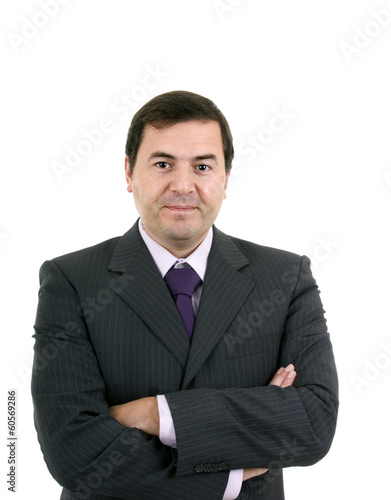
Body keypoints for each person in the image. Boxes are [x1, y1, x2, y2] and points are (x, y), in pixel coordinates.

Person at [31, 90, 338, 500]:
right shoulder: (70, 280)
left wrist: (156, 413)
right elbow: (72, 451)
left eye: (202, 166)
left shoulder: (285, 277)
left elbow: (314, 424)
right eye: (162, 164)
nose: (182, 185)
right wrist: (230, 468)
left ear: (225, 178)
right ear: (128, 173)